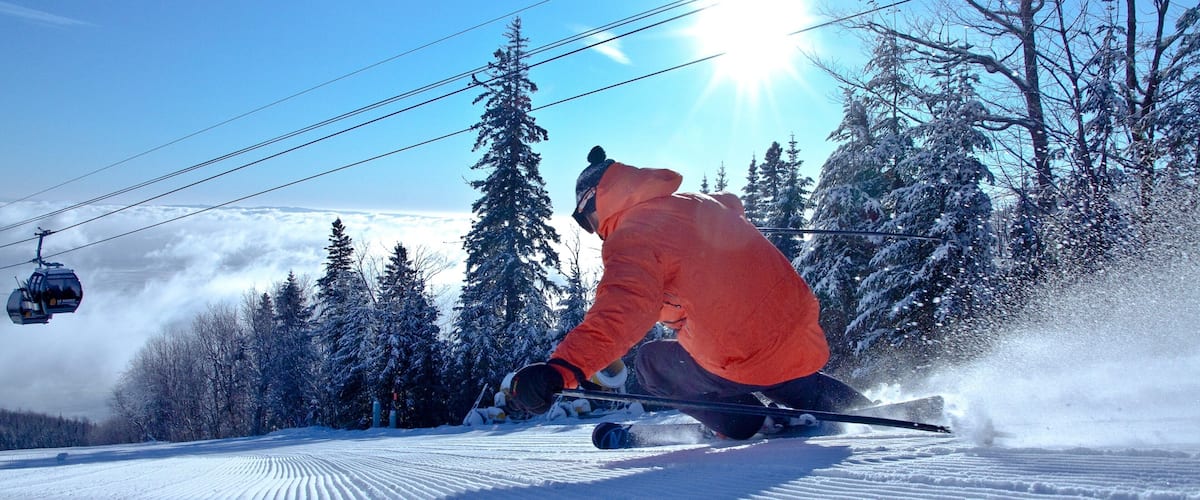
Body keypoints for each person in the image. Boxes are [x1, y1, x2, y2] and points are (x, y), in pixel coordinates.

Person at [509, 146, 872, 440]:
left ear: (594, 201)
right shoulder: (697, 203)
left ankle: (747, 421)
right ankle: (845, 404)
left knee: (652, 362)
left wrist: (562, 370)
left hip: (744, 355)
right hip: (804, 333)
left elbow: (621, 312)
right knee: (765, 353)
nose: (595, 231)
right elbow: (730, 208)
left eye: (586, 221)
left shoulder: (632, 236)